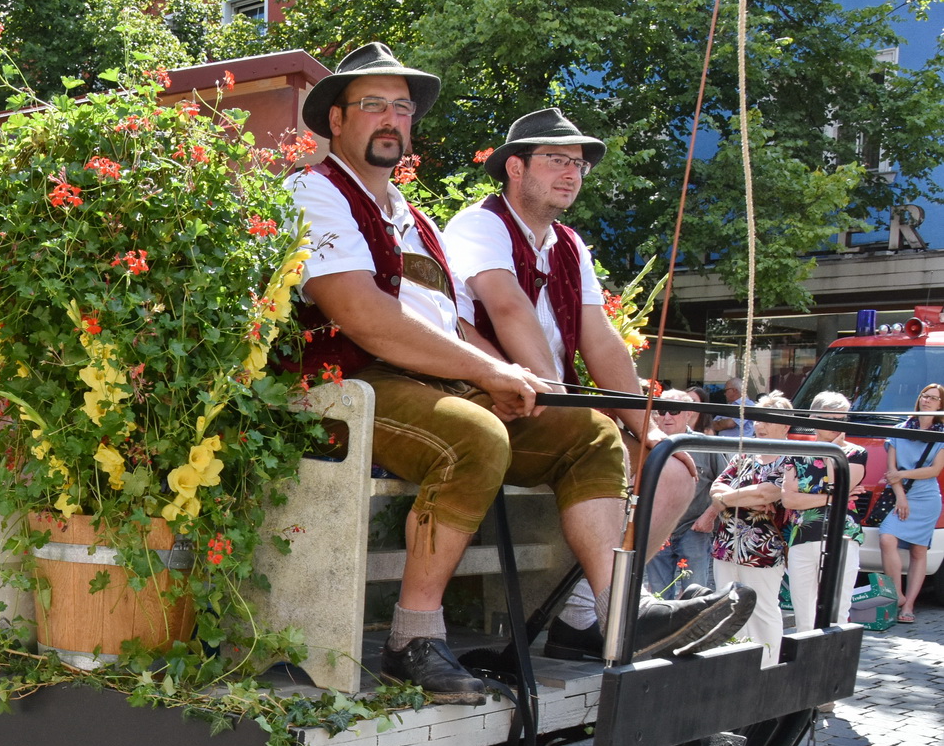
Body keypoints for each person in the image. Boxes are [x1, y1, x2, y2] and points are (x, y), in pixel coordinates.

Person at [287, 43, 752, 703]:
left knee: (588, 434)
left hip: (429, 380)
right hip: (349, 384)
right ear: (336, 120)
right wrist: (490, 370)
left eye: (403, 107)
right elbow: (364, 317)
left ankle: (615, 615)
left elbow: (450, 322)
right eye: (373, 105)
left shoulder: (413, 218)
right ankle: (411, 639)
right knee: (473, 438)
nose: (392, 119)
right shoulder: (313, 191)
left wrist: (500, 376)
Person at [445, 107, 698, 660]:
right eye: (556, 159)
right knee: (609, 443)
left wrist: (647, 425)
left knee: (674, 467)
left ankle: (585, 615)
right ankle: (617, 612)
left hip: (551, 405)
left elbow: (600, 339)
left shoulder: (568, 243)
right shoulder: (480, 225)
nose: (571, 173)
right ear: (515, 167)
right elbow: (507, 308)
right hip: (492, 400)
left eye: (578, 164)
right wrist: (557, 398)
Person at [708, 394, 795, 664]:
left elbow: (767, 493)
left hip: (763, 550)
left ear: (786, 426)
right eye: (758, 419)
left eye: (769, 420)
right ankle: (734, 665)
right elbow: (715, 490)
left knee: (762, 610)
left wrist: (728, 498)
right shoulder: (744, 455)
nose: (761, 426)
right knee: (728, 608)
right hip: (726, 546)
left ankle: (767, 667)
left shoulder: (791, 459)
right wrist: (740, 498)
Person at [782, 390, 865, 632]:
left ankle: (834, 653)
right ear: (814, 418)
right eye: (830, 419)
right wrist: (833, 498)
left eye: (842, 419)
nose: (837, 425)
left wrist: (832, 454)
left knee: (837, 609)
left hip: (842, 535)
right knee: (804, 612)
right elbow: (789, 499)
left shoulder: (856, 453)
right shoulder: (798, 453)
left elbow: (838, 485)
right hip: (803, 534)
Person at [646, 389, 726, 596]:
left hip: (693, 528)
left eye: (674, 410)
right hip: (657, 529)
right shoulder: (645, 443)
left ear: (689, 413)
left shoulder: (704, 444)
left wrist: (709, 516)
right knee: (658, 596)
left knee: (695, 594)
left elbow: (726, 482)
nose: (667, 416)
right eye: (662, 410)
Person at [875, 383, 944, 624]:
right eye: (924, 396)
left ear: (941, 405)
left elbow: (934, 470)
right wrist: (901, 496)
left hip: (927, 498)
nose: (927, 400)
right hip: (901, 495)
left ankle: (909, 605)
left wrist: (903, 475)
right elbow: (891, 470)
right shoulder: (899, 430)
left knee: (918, 551)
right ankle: (897, 594)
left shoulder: (941, 435)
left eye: (933, 398)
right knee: (886, 538)